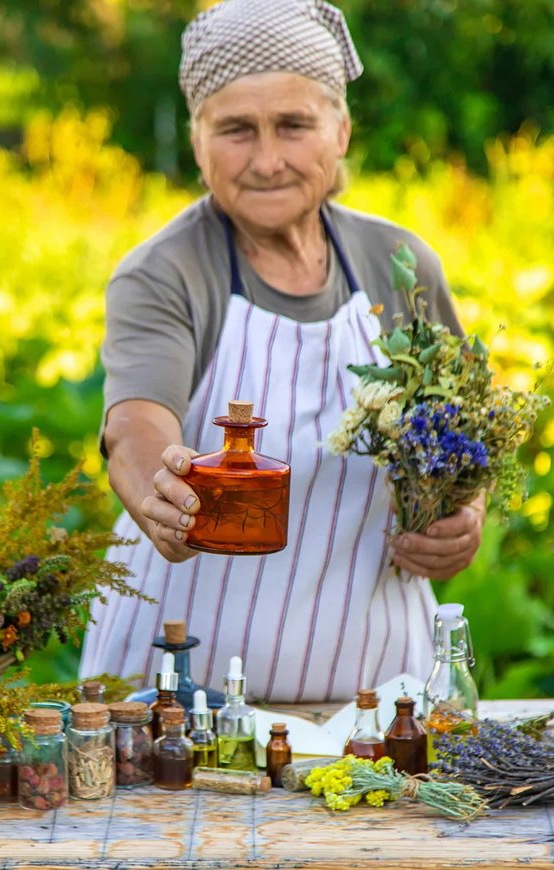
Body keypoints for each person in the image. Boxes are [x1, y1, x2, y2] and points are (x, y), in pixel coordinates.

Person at [79, 0, 485, 702]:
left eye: (293, 125)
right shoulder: (166, 272)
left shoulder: (399, 263)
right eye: (236, 129)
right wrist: (160, 494)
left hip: (378, 701)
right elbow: (136, 427)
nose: (267, 160)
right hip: (179, 703)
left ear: (341, 130)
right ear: (198, 141)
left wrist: (463, 516)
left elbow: (463, 440)